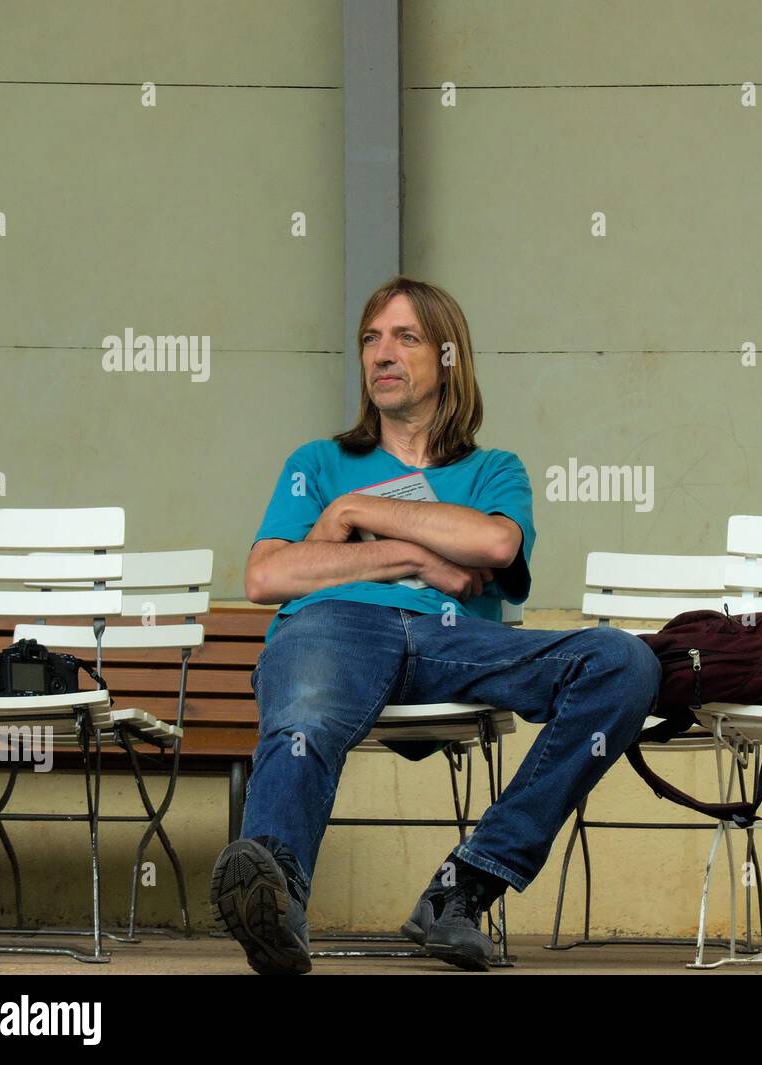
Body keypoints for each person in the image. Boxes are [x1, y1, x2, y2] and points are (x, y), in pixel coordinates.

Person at [210, 276, 661, 973]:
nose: (381, 353)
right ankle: (274, 891)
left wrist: (355, 515)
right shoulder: (317, 463)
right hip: (336, 629)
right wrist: (417, 553)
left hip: (457, 643)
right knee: (304, 717)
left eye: (405, 337)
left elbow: (495, 545)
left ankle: (465, 886)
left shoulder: (492, 470)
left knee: (623, 662)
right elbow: (266, 577)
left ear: (449, 358)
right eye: (370, 339)